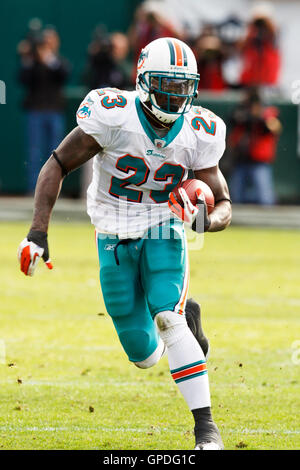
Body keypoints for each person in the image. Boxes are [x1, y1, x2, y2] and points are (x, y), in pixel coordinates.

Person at [17, 37, 232, 450]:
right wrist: (38, 232)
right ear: (143, 80)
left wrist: (203, 221)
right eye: (166, 85)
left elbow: (222, 203)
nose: (174, 95)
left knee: (168, 316)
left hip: (163, 226)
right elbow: (57, 164)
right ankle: (189, 326)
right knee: (142, 353)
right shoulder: (113, 116)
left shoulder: (200, 131)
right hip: (112, 232)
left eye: (182, 86)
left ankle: (205, 429)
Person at [18, 26, 70, 193]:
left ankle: (53, 189)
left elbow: (63, 74)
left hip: (55, 111)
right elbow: (23, 78)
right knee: (35, 151)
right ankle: (33, 189)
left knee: (56, 152)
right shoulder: (32, 63)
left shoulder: (58, 61)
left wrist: (47, 57)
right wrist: (28, 57)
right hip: (36, 110)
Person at [228, 88, 281, 204]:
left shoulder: (268, 114)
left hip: (259, 161)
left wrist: (259, 117)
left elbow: (274, 127)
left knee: (265, 198)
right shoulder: (241, 113)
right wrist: (248, 116)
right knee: (235, 196)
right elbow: (233, 119)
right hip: (240, 160)